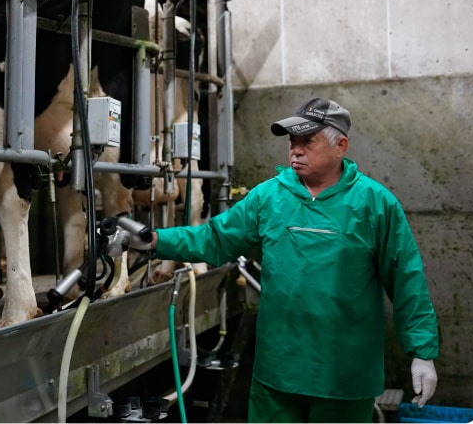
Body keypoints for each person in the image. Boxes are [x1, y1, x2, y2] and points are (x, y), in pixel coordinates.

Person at [122, 97, 440, 423]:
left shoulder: (375, 204)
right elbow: (216, 239)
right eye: (292, 142)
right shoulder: (269, 197)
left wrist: (422, 352)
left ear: (341, 146)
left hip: (345, 377)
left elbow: (406, 280)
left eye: (307, 142)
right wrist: (156, 241)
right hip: (279, 374)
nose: (295, 150)